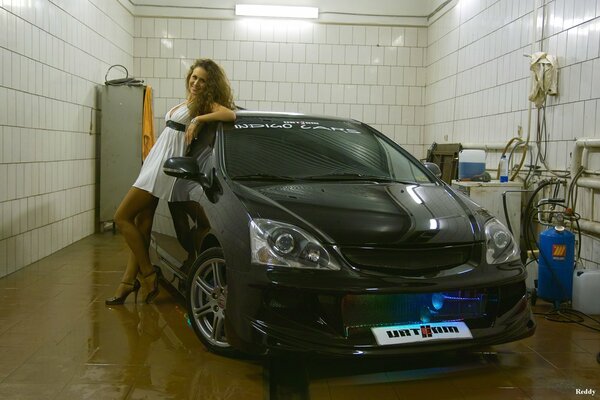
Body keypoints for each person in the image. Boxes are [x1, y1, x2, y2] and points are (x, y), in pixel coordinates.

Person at [106, 59, 236, 305]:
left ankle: (147, 273)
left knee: (121, 217)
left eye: (202, 80)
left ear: (211, 85)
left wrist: (200, 120)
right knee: (143, 223)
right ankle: (127, 282)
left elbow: (230, 114)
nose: (196, 83)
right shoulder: (189, 102)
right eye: (194, 77)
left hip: (164, 168)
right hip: (154, 163)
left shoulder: (204, 105)